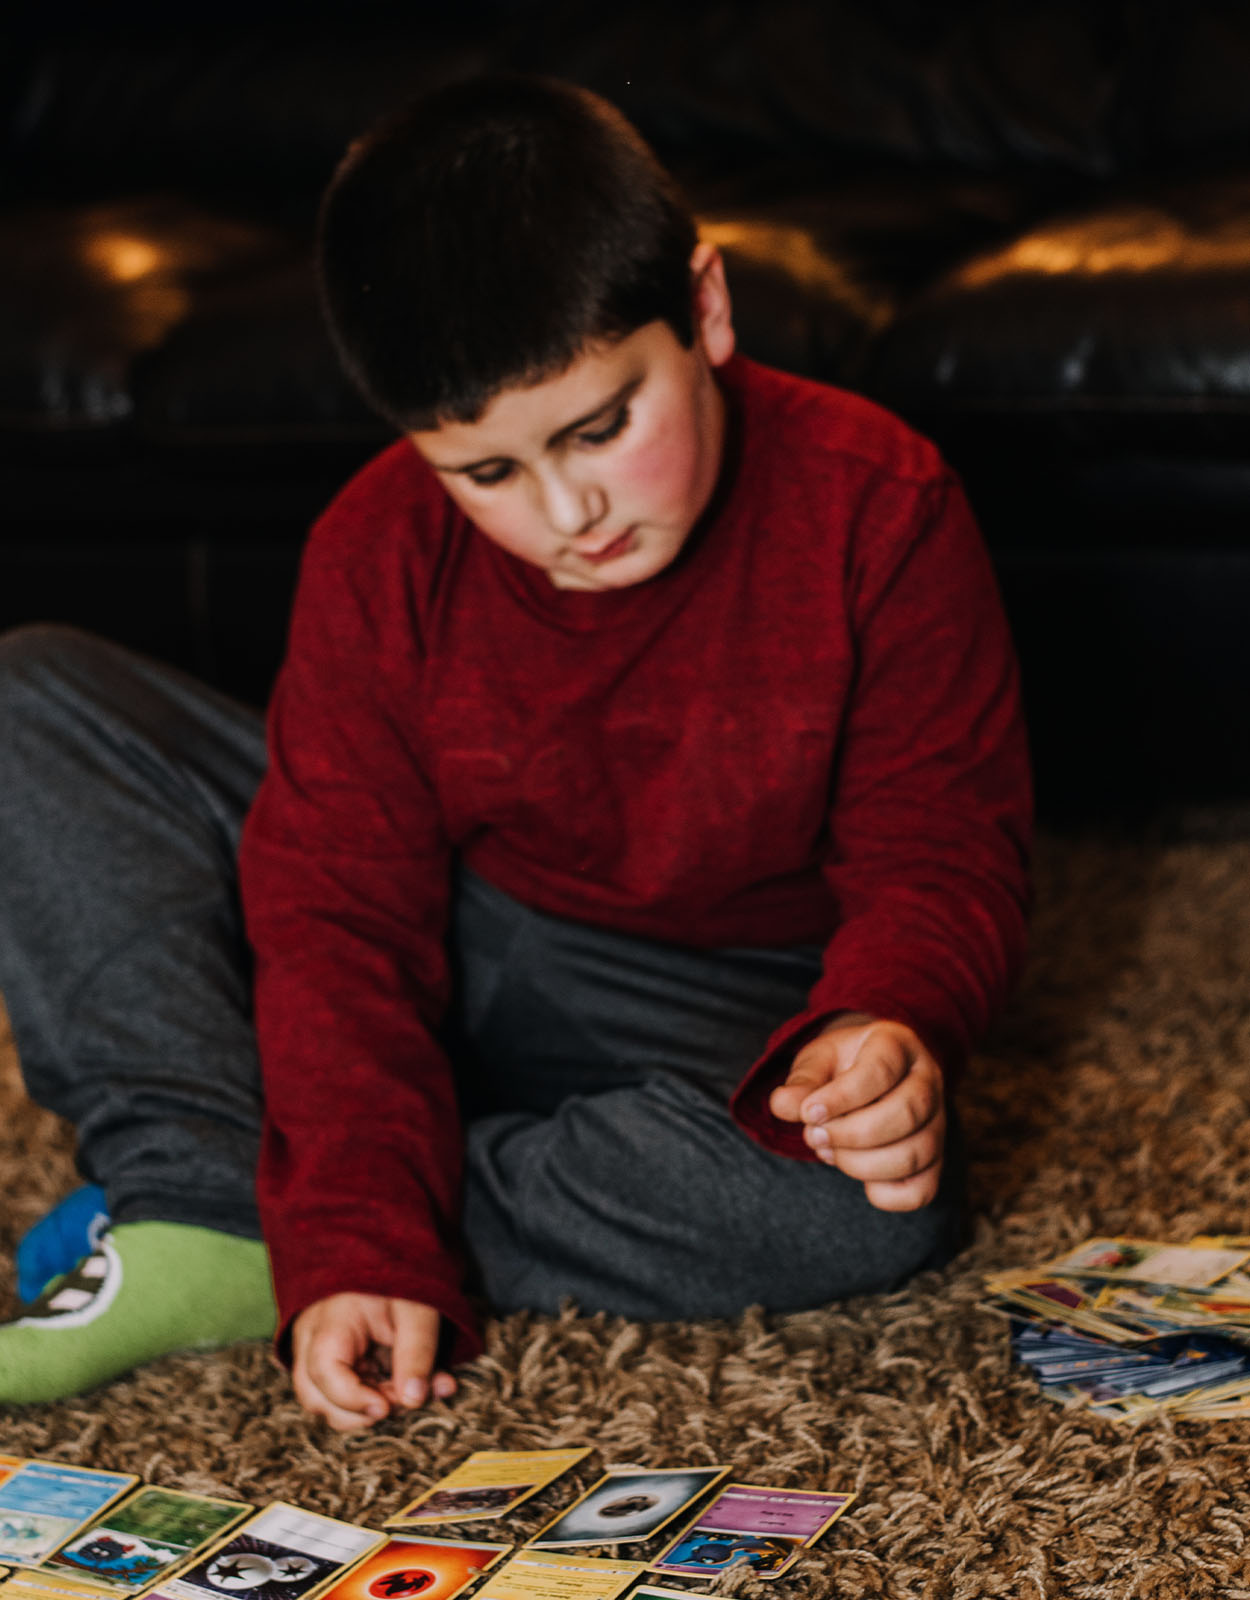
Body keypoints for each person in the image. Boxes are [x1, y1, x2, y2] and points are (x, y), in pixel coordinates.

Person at [0, 76, 1031, 1427]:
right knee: (33, 695)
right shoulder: (376, 548)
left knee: (865, 1210)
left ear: (705, 311)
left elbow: (937, 852)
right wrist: (360, 1207)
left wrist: (879, 1027)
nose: (566, 511)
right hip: (460, 916)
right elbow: (336, 915)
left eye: (602, 427)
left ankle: (271, 1210)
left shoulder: (877, 503)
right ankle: (208, 1190)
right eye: (485, 473)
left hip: (710, 1011)